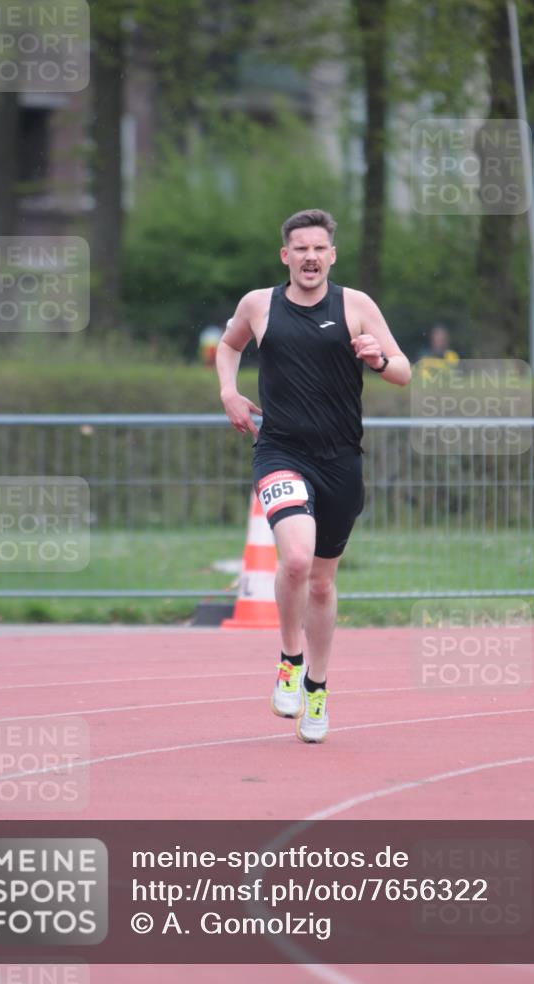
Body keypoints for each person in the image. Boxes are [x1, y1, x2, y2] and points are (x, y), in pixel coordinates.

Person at [216, 209, 411, 743]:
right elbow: (229, 346)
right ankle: (288, 659)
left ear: (332, 255)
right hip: (280, 449)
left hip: (341, 460)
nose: (309, 257)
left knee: (323, 583)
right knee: (297, 559)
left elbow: (403, 370)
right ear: (286, 256)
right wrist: (229, 392)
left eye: (318, 248)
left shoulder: (357, 306)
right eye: (299, 248)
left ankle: (318, 690)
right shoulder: (259, 305)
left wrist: (376, 359)